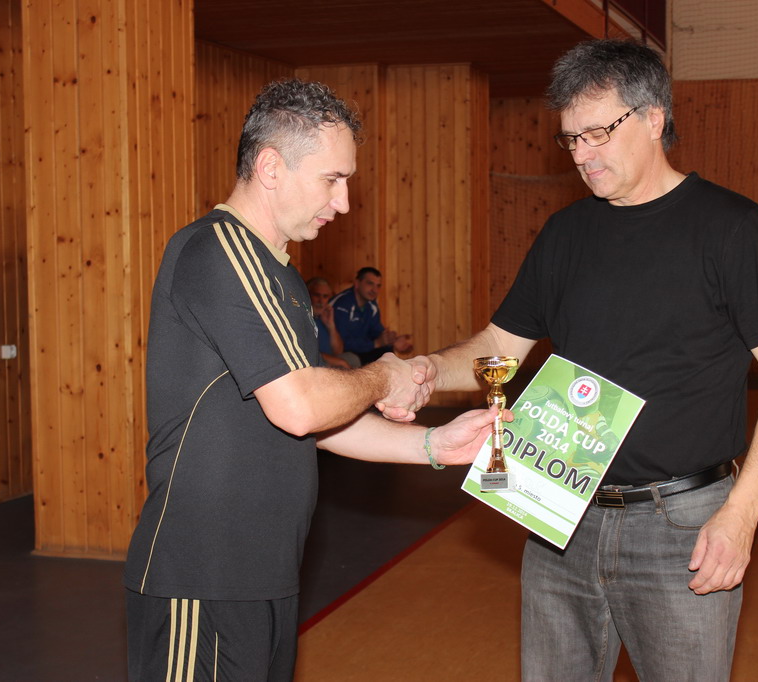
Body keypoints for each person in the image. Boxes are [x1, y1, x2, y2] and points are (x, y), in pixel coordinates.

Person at [402, 39, 758, 681]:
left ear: (653, 119)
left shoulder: (730, 227)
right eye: (571, 139)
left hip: (682, 526)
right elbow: (497, 350)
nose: (581, 155)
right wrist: (424, 371)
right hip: (557, 510)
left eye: (598, 133)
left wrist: (743, 512)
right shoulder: (565, 235)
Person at [122, 78, 502, 682]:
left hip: (264, 574)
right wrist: (384, 375)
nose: (343, 202)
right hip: (204, 575)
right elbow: (300, 407)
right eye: (332, 179)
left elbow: (311, 418)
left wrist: (432, 445)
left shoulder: (280, 275)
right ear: (271, 167)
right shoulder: (217, 251)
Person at [330, 266, 413, 364]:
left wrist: (392, 341)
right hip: (335, 353)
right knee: (360, 358)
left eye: (378, 286)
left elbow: (376, 332)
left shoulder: (372, 305)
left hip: (358, 350)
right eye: (370, 283)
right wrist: (376, 343)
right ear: (357, 283)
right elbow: (343, 344)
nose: (375, 290)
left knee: (386, 352)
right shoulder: (342, 304)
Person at [306, 276, 359, 368]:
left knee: (353, 358)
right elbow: (307, 352)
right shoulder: (304, 318)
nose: (321, 301)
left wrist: (331, 326)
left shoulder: (324, 317)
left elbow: (338, 351)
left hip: (328, 362)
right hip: (312, 364)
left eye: (325, 296)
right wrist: (339, 362)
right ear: (307, 295)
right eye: (317, 295)